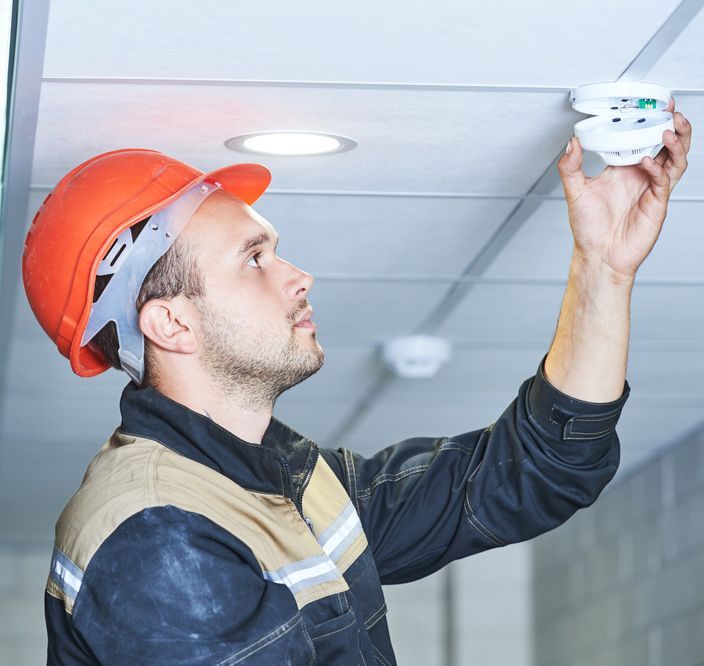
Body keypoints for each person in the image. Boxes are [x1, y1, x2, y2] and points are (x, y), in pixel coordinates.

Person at [23, 99, 691, 665]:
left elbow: (537, 471)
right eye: (254, 259)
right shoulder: (154, 535)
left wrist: (604, 267)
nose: (297, 275)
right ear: (171, 324)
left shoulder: (291, 482)